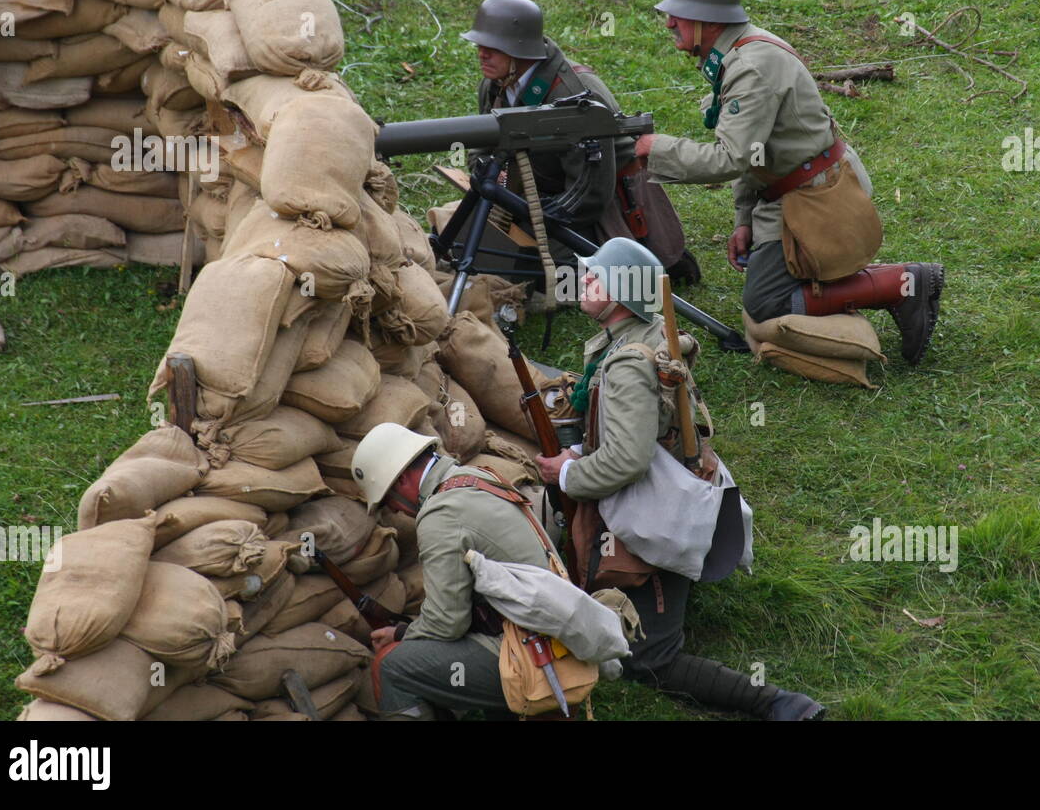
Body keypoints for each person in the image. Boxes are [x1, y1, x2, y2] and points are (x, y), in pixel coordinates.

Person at [534, 236, 825, 720]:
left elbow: (626, 460)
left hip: (655, 513)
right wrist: (584, 449)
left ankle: (777, 704)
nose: (582, 279)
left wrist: (566, 472)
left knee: (648, 660)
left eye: (595, 275)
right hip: (668, 488)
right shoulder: (637, 341)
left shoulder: (627, 364)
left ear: (623, 291)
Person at [633, 0, 945, 365]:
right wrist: (744, 219)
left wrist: (655, 148)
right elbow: (756, 149)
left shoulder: (751, 66)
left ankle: (902, 284)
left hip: (818, 197)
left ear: (709, 21)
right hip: (791, 188)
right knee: (768, 292)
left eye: (679, 14)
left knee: (764, 304)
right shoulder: (736, 52)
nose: (669, 23)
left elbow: (732, 157)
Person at [461, 0, 699, 288]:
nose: (482, 54)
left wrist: (534, 216)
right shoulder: (495, 83)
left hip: (593, 206)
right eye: (480, 45)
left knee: (527, 275)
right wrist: (492, 181)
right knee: (472, 240)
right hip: (538, 192)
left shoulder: (574, 94)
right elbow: (483, 142)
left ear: (519, 50)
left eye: (492, 48)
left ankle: (648, 256)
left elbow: (591, 193)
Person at [352, 422, 550, 720]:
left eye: (388, 499)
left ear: (403, 479)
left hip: (530, 654)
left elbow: (448, 623)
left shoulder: (440, 515)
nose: (393, 511)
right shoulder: (476, 477)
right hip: (550, 635)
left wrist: (403, 634)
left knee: (391, 667)